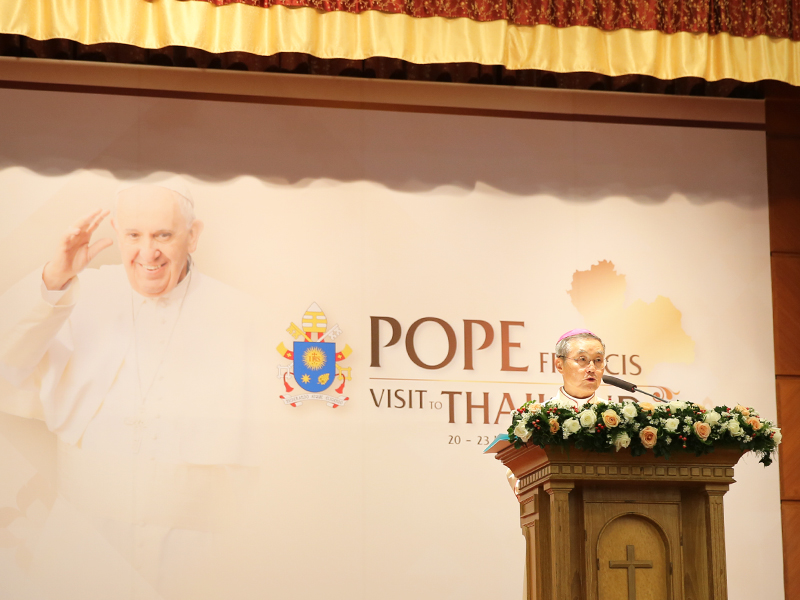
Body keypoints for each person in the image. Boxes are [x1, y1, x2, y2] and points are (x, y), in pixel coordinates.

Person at [0, 177, 267, 599]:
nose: (148, 253)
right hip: (82, 544)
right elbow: (6, 357)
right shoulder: (78, 293)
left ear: (193, 236)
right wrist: (55, 277)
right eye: (134, 235)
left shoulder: (245, 316)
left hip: (191, 554)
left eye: (164, 234)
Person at [550, 327, 606, 405]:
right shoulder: (539, 415)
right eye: (582, 359)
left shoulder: (617, 414)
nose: (592, 369)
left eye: (598, 360)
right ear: (560, 365)